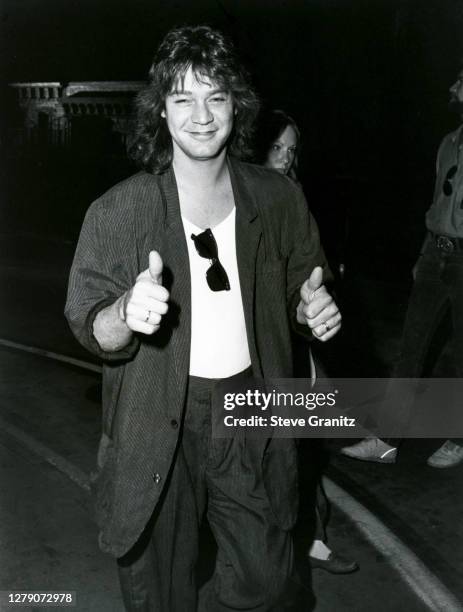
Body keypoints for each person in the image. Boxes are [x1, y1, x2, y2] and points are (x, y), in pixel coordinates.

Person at [65, 25, 341, 612]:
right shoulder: (119, 209)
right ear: (161, 111)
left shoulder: (276, 197)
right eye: (182, 98)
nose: (201, 115)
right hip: (157, 413)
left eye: (215, 96)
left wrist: (309, 310)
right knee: (158, 590)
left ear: (236, 107)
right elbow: (90, 324)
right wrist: (124, 312)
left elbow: (303, 287)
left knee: (267, 583)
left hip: (249, 406)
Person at [341, 67, 463, 468]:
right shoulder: (448, 144)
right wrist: (424, 253)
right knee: (411, 349)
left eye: (461, 81)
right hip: (436, 254)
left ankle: (459, 441)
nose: (453, 87)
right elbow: (436, 204)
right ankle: (386, 441)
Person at [257, 108, 357, 574]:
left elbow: (314, 274)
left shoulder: (294, 199)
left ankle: (312, 539)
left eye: (291, 150)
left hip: (291, 345)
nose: (284, 158)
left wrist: (316, 300)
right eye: (276, 147)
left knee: (300, 447)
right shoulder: (233, 194)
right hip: (248, 350)